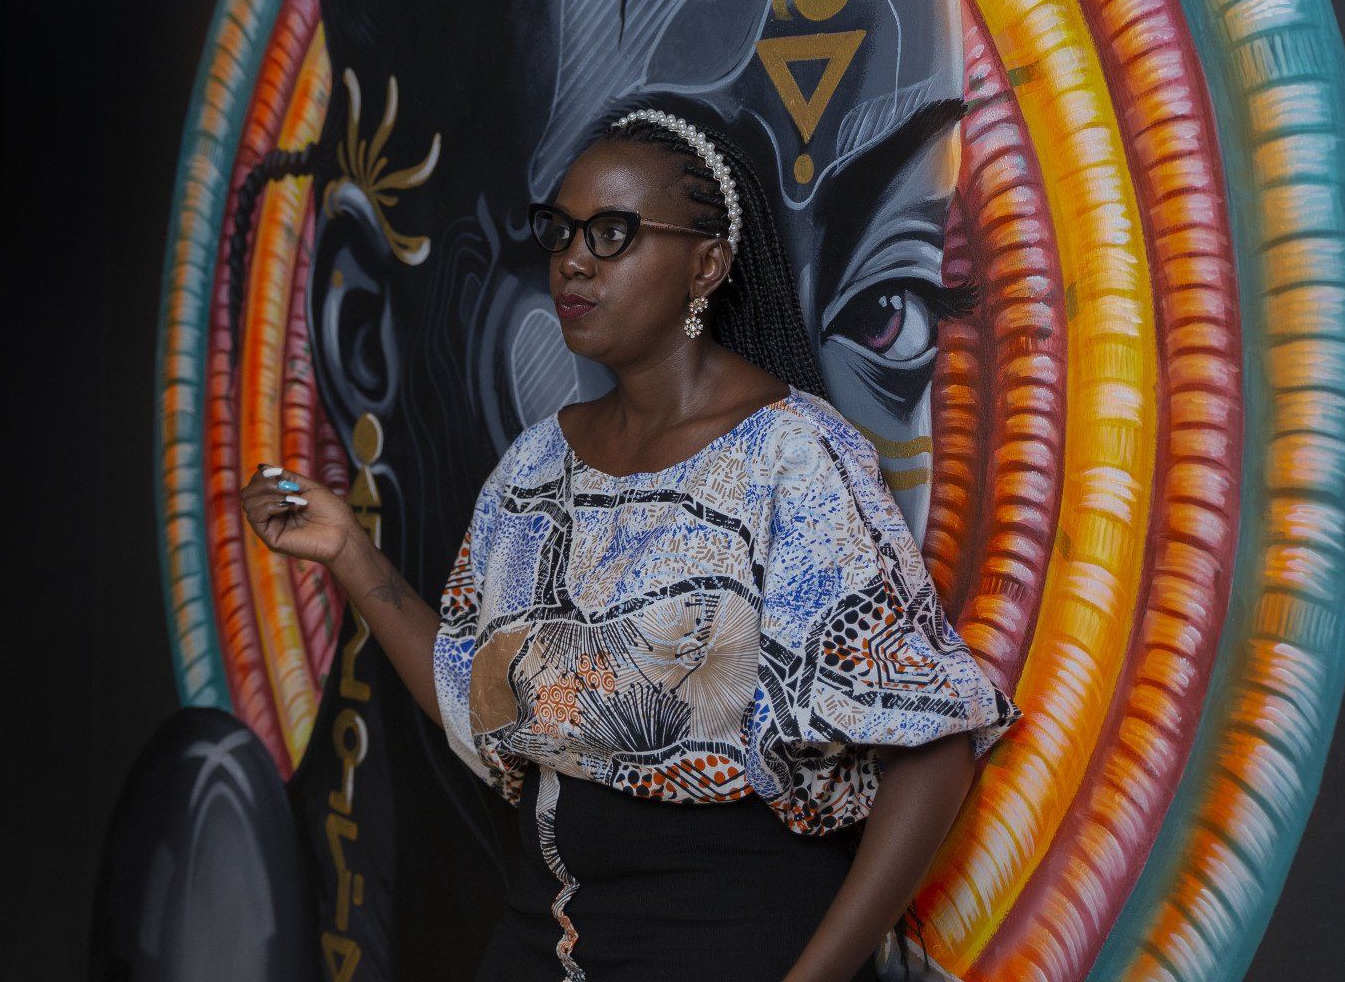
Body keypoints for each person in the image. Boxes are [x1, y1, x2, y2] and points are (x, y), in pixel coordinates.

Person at [239, 104, 1020, 981]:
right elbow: (475, 696)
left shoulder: (792, 456)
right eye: (562, 231)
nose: (573, 260)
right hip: (544, 935)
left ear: (707, 264)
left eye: (612, 233)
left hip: (726, 942)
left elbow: (933, 749)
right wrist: (349, 551)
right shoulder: (535, 466)